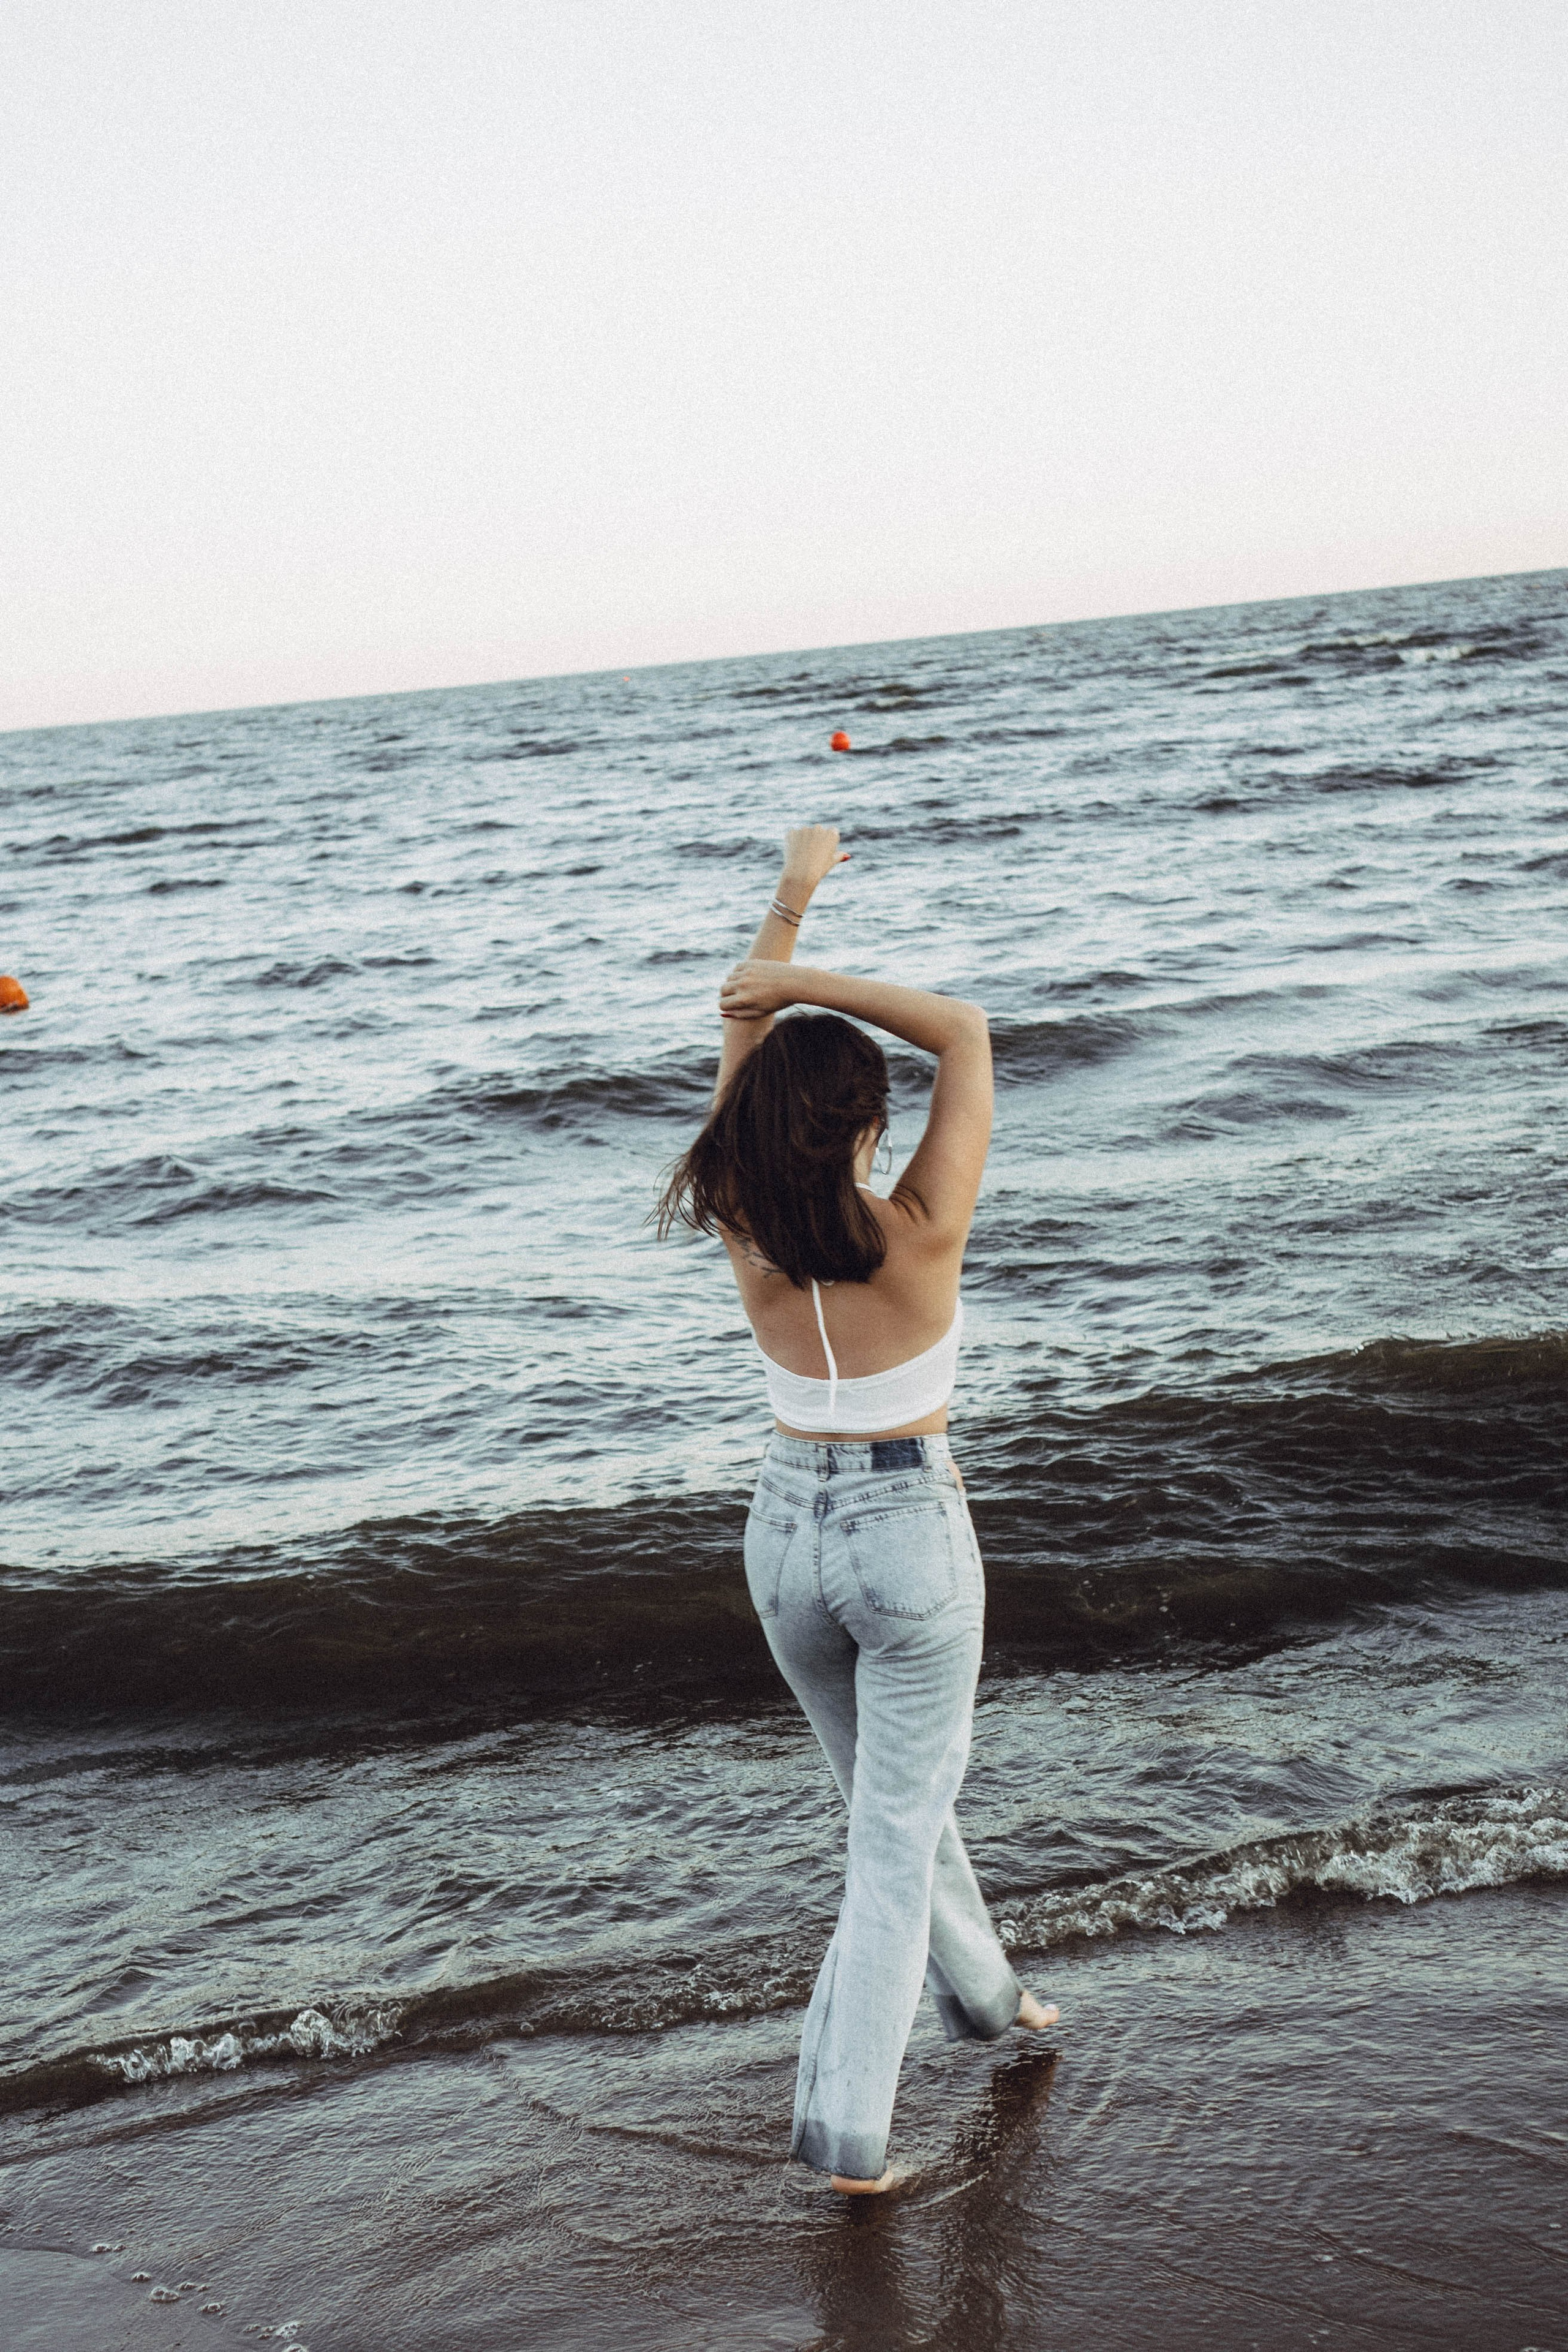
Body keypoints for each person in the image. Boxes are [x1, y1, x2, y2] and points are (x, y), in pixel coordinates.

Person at [658, 824, 1058, 2196]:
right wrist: (819, 966)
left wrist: (787, 905)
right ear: (869, 1125)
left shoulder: (734, 1209)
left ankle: (992, 2002)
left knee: (895, 1810)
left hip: (780, 1534)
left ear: (761, 1126)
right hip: (904, 1533)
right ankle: (845, 2135)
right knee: (890, 1838)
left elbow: (738, 1008)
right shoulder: (922, 1223)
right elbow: (962, 1028)